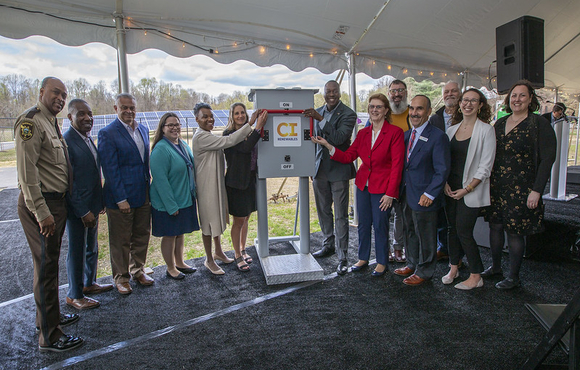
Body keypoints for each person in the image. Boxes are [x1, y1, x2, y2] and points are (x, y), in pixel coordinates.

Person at [15, 76, 83, 352]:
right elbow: (27, 174)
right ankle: (49, 336)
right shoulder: (31, 122)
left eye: (64, 95)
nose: (60, 98)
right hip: (41, 205)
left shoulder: (51, 121)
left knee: (49, 264)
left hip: (56, 203)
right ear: (41, 92)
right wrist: (42, 213)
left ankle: (50, 318)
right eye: (55, 92)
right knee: (45, 268)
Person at [312, 93, 404, 277]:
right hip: (363, 186)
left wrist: (390, 193)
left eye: (378, 107)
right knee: (363, 224)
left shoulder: (395, 133)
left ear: (386, 110)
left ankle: (381, 261)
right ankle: (362, 258)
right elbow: (348, 156)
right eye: (372, 107)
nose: (374, 110)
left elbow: (397, 165)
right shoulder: (363, 133)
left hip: (382, 188)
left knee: (380, 224)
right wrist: (328, 145)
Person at [483, 80, 557, 290]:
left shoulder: (538, 124)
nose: (517, 99)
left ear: (530, 99)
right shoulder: (499, 123)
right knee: (495, 227)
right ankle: (495, 267)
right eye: (514, 95)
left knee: (515, 232)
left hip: (523, 188)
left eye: (522, 95)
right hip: (497, 185)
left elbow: (547, 159)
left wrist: (537, 190)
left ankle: (513, 277)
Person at [192, 102, 266, 275]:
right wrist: (255, 126)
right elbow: (234, 142)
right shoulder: (206, 136)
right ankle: (210, 260)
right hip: (212, 184)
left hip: (222, 183)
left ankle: (218, 252)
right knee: (210, 223)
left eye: (211, 116)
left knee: (221, 219)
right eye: (205, 117)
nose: (210, 119)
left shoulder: (209, 134)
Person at [440, 89, 496, 290]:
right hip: (450, 189)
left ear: (481, 105)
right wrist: (444, 182)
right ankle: (454, 268)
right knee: (451, 229)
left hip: (470, 191)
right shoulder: (451, 130)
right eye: (465, 100)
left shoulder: (486, 130)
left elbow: (485, 167)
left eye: (473, 100)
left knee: (464, 231)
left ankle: (476, 275)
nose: (468, 104)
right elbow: (445, 161)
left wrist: (467, 188)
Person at [98, 93, 153, 294]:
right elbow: (110, 170)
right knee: (121, 240)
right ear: (116, 109)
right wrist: (121, 199)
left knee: (141, 235)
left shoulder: (143, 130)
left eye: (132, 107)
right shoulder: (107, 133)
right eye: (124, 108)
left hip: (142, 193)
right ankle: (121, 277)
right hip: (120, 198)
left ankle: (138, 269)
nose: (129, 111)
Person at [394, 95, 450, 286]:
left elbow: (442, 169)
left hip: (425, 196)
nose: (414, 113)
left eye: (419, 109)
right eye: (412, 109)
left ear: (428, 112)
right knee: (410, 231)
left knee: (426, 235)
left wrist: (430, 193)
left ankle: (425, 271)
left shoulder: (438, 136)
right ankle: (412, 263)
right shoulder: (406, 136)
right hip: (406, 194)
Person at [304, 80, 357, 276]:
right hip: (320, 171)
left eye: (334, 91)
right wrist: (310, 166)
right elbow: (313, 141)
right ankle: (329, 245)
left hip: (339, 171)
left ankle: (343, 257)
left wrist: (319, 118)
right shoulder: (317, 111)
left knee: (341, 216)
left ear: (340, 93)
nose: (331, 94)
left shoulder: (348, 114)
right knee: (323, 211)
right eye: (328, 92)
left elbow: (338, 139)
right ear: (324, 94)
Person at [64, 99, 112, 310]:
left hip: (92, 205)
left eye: (90, 114)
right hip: (78, 209)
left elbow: (93, 175)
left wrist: (98, 202)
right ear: (70, 117)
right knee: (77, 250)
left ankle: (89, 283)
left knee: (91, 247)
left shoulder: (86, 139)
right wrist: (83, 210)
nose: (87, 118)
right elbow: (69, 182)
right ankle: (74, 294)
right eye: (81, 114)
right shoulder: (67, 141)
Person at [150, 113, 200, 280]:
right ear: (162, 129)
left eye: (176, 124)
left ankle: (179, 262)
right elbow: (160, 181)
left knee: (179, 233)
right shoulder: (160, 149)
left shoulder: (183, 144)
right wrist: (171, 206)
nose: (174, 127)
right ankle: (170, 267)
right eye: (170, 125)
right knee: (170, 234)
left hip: (183, 198)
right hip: (168, 202)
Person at [223, 103, 268, 272]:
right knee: (239, 220)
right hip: (236, 183)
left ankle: (243, 248)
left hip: (250, 180)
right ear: (232, 116)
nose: (240, 116)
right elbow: (245, 147)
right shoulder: (228, 134)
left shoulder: (248, 131)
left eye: (242, 112)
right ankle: (237, 254)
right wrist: (258, 127)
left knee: (247, 217)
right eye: (236, 113)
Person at [428, 81, 462, 261]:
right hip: (440, 173)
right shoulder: (435, 118)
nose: (450, 94)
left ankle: (458, 256)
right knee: (441, 215)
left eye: (453, 91)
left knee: (457, 219)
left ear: (460, 93)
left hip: (461, 172)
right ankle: (444, 248)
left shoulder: (468, 115)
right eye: (446, 91)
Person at [386, 79, 412, 262]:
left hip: (405, 172)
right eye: (393, 91)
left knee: (400, 214)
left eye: (400, 90)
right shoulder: (384, 114)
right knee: (383, 213)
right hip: (385, 172)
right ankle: (384, 247)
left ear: (406, 93)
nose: (397, 94)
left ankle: (398, 248)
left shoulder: (413, 114)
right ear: (389, 94)